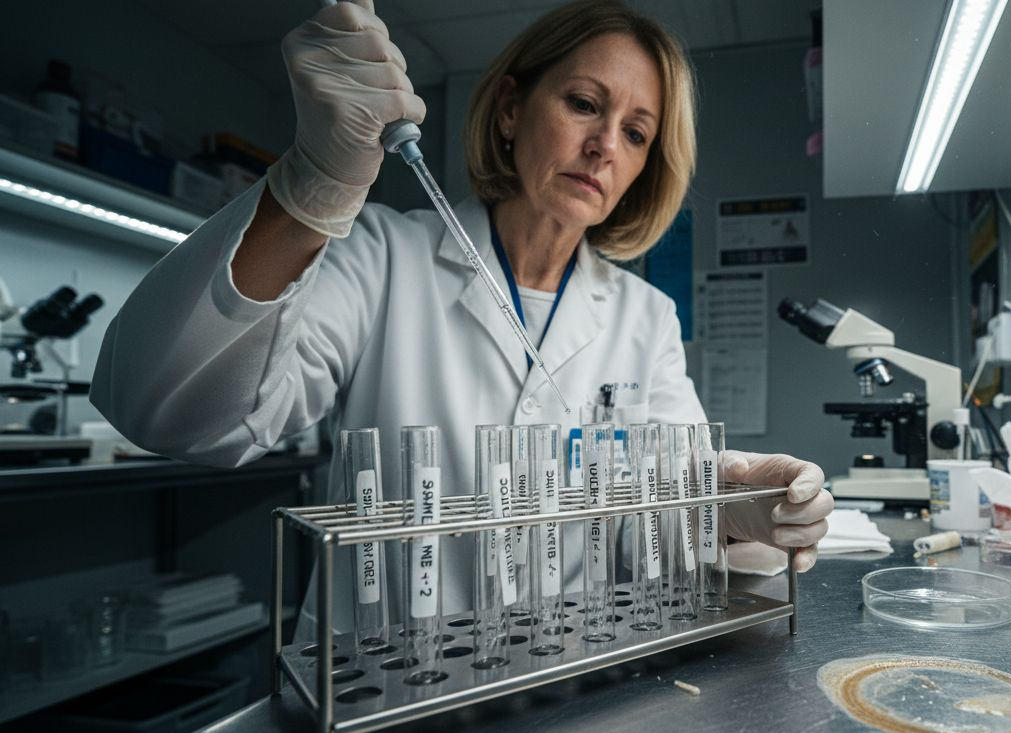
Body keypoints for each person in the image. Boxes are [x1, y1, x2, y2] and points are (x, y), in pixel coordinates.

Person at [91, 0, 832, 637]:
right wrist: (312, 187)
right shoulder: (385, 255)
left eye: (637, 133)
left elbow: (668, 510)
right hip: (377, 681)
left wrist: (740, 499)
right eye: (583, 104)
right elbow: (171, 412)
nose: (605, 146)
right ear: (511, 108)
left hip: (566, 678)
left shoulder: (645, 316)